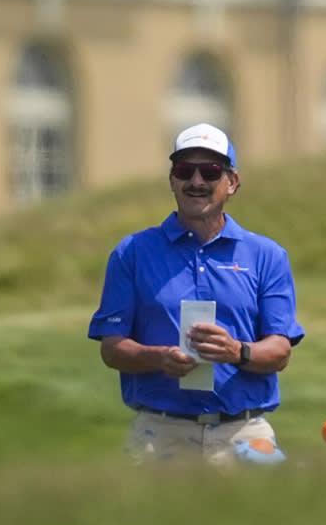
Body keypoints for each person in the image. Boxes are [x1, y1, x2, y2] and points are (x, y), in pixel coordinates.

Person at [87, 123, 305, 464]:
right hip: (159, 433)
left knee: (274, 516)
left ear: (232, 183)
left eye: (211, 171)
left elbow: (279, 351)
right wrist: (159, 358)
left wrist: (236, 351)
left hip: (244, 433)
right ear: (172, 180)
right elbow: (112, 348)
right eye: (185, 171)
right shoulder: (132, 252)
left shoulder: (266, 255)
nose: (197, 182)